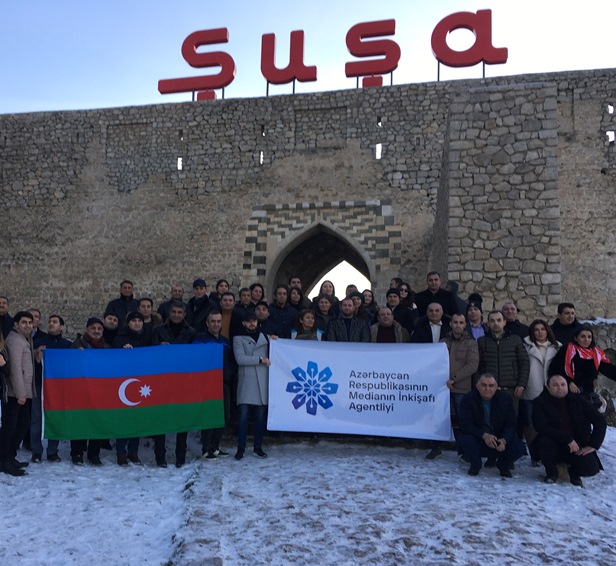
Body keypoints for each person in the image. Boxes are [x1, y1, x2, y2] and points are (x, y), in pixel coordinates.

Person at [532, 374, 607, 486]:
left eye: (563, 384)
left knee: (592, 467)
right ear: (548, 387)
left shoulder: (578, 400)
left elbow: (600, 421)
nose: (560, 388)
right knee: (544, 443)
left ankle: (573, 473)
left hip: (577, 446)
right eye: (555, 385)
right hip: (553, 444)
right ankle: (552, 473)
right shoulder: (540, 402)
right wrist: (567, 439)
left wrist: (593, 445)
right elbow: (542, 427)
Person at [426, 312, 479, 461]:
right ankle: (436, 447)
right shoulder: (443, 342)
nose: (458, 325)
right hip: (442, 388)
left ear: (465, 324)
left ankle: (464, 450)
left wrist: (454, 379)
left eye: (461, 323)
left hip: (461, 387)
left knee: (463, 420)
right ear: (450, 324)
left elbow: (472, 365)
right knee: (438, 418)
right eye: (455, 322)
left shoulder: (471, 343)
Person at [150, 302, 196, 467]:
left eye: (180, 312)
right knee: (160, 419)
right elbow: (150, 354)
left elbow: (194, 356)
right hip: (162, 380)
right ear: (169, 313)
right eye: (174, 312)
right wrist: (159, 347)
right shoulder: (158, 330)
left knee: (182, 421)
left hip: (182, 381)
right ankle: (160, 458)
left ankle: (180, 458)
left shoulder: (191, 333)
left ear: (184, 315)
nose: (177, 315)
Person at [458, 374, 526, 477]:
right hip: (479, 438)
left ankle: (503, 465)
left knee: (519, 447)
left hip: (499, 439)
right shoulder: (468, 400)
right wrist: (484, 435)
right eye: (484, 385)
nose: (487, 388)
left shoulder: (505, 399)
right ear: (477, 386)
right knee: (466, 440)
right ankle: (475, 465)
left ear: (496, 387)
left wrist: (504, 440)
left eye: (491, 385)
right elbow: (465, 425)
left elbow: (511, 424)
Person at [30, 314, 72, 463]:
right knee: (36, 419)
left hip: (58, 388)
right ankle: (36, 451)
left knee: (56, 418)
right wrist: (36, 357)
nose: (51, 324)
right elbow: (28, 365)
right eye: (49, 321)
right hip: (39, 385)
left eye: (55, 322)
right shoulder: (38, 343)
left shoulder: (67, 345)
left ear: (62, 327)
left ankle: (53, 451)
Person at [193, 311, 234, 460]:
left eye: (218, 321)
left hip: (223, 383)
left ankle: (215, 447)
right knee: (209, 416)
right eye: (213, 321)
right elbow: (197, 359)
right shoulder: (200, 340)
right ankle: (206, 448)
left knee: (224, 415)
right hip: (207, 384)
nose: (216, 324)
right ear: (207, 323)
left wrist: (228, 375)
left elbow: (229, 360)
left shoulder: (224, 341)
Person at [70, 317, 109, 466]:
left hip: (99, 390)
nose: (96, 331)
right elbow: (69, 363)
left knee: (96, 421)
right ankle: (77, 452)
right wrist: (76, 355)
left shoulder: (106, 347)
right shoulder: (77, 344)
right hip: (81, 389)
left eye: (99, 329)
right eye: (93, 328)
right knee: (80, 421)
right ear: (87, 329)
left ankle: (94, 454)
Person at [1, 311, 35, 476]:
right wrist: (21, 394)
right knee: (10, 427)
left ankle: (9, 456)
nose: (28, 325)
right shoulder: (15, 341)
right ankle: (3, 460)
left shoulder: (23, 339)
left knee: (22, 425)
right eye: (24, 322)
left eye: (30, 322)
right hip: (14, 393)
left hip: (21, 393)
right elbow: (15, 370)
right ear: (16, 324)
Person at [520, 319, 561, 459]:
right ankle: (535, 455)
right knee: (530, 423)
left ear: (547, 330)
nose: (540, 332)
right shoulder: (524, 346)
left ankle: (550, 453)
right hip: (531, 388)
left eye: (542, 329)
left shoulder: (557, 347)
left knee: (551, 423)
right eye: (536, 330)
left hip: (551, 390)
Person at [233, 311, 271, 460]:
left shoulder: (265, 338)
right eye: (248, 321)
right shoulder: (238, 338)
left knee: (260, 418)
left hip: (262, 382)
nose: (252, 324)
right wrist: (260, 360)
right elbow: (240, 359)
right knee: (243, 417)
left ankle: (258, 447)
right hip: (247, 382)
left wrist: (276, 341)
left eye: (254, 321)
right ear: (244, 323)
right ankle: (241, 447)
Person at [477, 310, 530, 415]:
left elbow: (524, 363)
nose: (496, 323)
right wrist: (479, 385)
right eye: (492, 321)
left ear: (504, 322)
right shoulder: (481, 341)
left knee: (510, 420)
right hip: (488, 389)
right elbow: (477, 365)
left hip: (511, 389)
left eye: (499, 320)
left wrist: (521, 385)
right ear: (488, 324)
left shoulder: (515, 340)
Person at [112, 312, 148, 466]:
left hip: (141, 382)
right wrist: (122, 352)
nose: (137, 323)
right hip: (123, 382)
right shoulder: (119, 339)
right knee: (124, 419)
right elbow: (113, 359)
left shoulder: (147, 338)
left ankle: (134, 451)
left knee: (137, 418)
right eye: (134, 320)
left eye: (140, 320)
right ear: (128, 323)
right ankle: (121, 452)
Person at [548, 325, 616, 396]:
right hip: (570, 390)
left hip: (588, 391)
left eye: (589, 337)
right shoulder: (567, 350)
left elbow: (607, 368)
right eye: (583, 337)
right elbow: (555, 369)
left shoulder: (595, 353)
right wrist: (568, 382)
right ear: (576, 338)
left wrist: (594, 377)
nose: (587, 340)